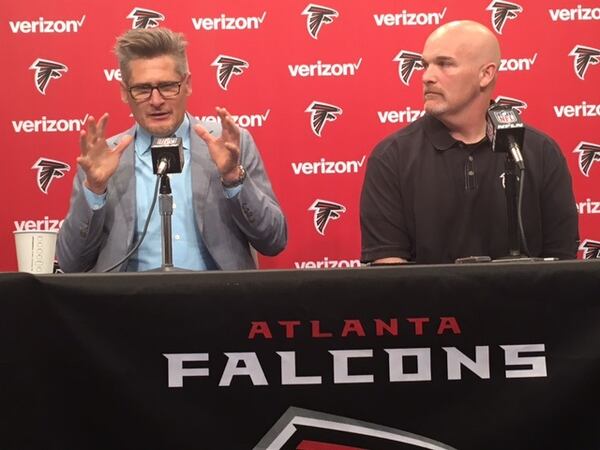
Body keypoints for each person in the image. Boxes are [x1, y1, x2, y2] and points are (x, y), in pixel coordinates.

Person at [57, 27, 286, 272]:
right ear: (125, 92)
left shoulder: (229, 145)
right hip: (128, 305)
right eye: (143, 89)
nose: (156, 101)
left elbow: (273, 241)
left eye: (167, 86)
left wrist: (233, 179)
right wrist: (94, 189)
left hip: (218, 303)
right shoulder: (104, 159)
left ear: (187, 84)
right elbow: (71, 264)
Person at [360, 20, 579, 265]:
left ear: (486, 74)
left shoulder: (540, 152)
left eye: (444, 64)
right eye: (425, 65)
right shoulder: (391, 157)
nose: (427, 77)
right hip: (427, 303)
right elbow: (389, 269)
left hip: (523, 303)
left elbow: (562, 264)